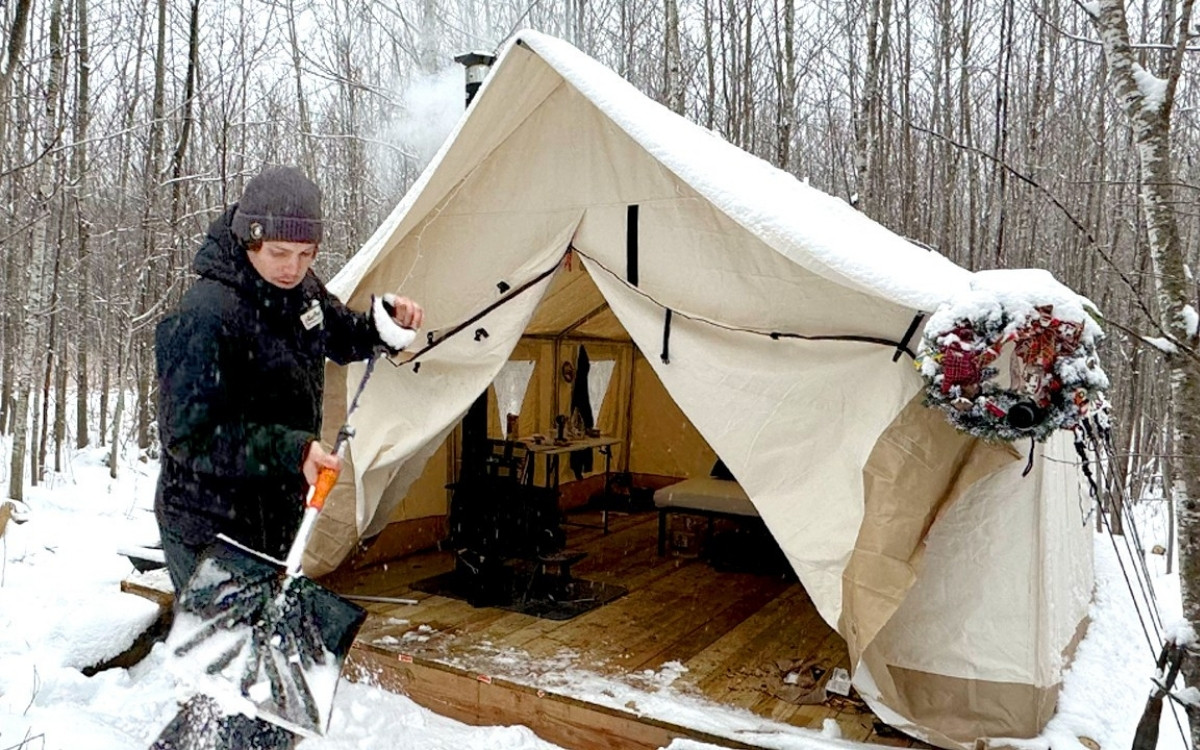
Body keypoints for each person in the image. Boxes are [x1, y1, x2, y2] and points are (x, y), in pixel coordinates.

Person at [151, 165, 422, 748]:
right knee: (225, 668)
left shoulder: (297, 292)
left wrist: (381, 325)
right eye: (279, 252)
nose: (293, 267)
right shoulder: (205, 314)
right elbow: (187, 435)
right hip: (207, 523)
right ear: (249, 238)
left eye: (306, 253)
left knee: (264, 671)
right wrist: (292, 449)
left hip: (272, 514)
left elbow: (337, 331)